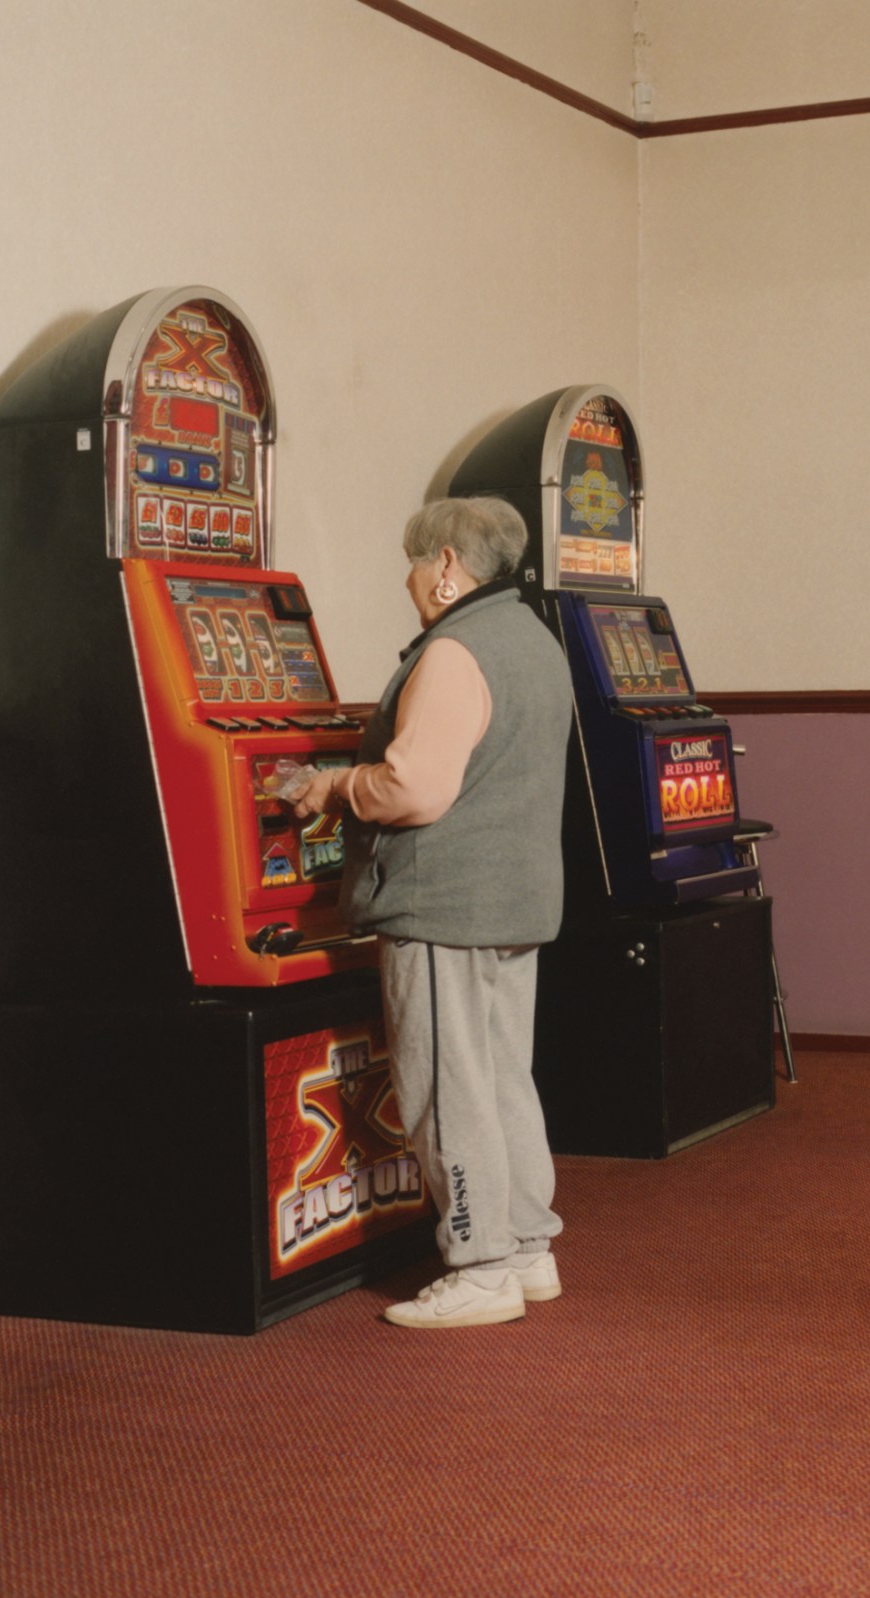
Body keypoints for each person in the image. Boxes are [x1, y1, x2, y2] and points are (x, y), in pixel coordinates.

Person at [291, 496, 574, 1329]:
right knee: (499, 1080)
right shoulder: (532, 638)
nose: (411, 581)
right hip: (516, 897)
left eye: (416, 564)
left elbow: (414, 789)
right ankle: (526, 1248)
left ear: (448, 566)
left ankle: (479, 1265)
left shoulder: (454, 650)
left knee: (446, 1090)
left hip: (445, 900)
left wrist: (338, 784)